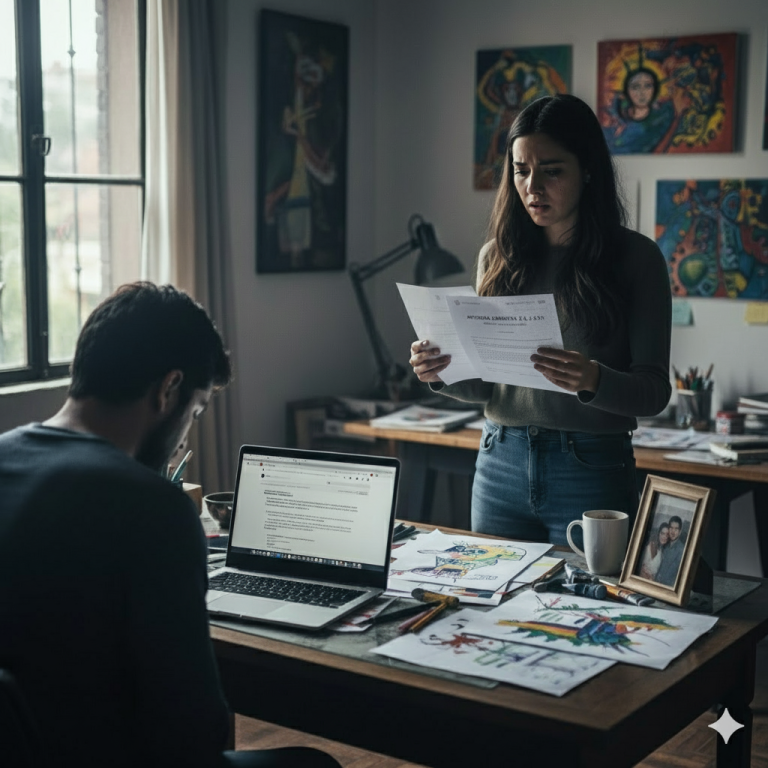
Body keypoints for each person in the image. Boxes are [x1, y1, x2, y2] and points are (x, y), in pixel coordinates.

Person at [0, 283, 339, 768]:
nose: (184, 438)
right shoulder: (152, 507)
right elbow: (195, 733)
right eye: (196, 410)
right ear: (168, 389)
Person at [409, 94, 672, 546]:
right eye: (520, 170)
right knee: (491, 611)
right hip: (499, 462)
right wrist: (441, 372)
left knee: (592, 609)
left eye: (551, 171)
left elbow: (653, 392)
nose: (532, 187)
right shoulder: (497, 257)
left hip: (590, 468)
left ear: (587, 170)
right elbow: (487, 386)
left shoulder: (636, 258)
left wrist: (593, 378)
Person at [655, 515, 685, 587]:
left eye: (676, 529)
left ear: (680, 532)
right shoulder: (665, 543)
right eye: (671, 528)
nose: (673, 532)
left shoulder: (681, 550)